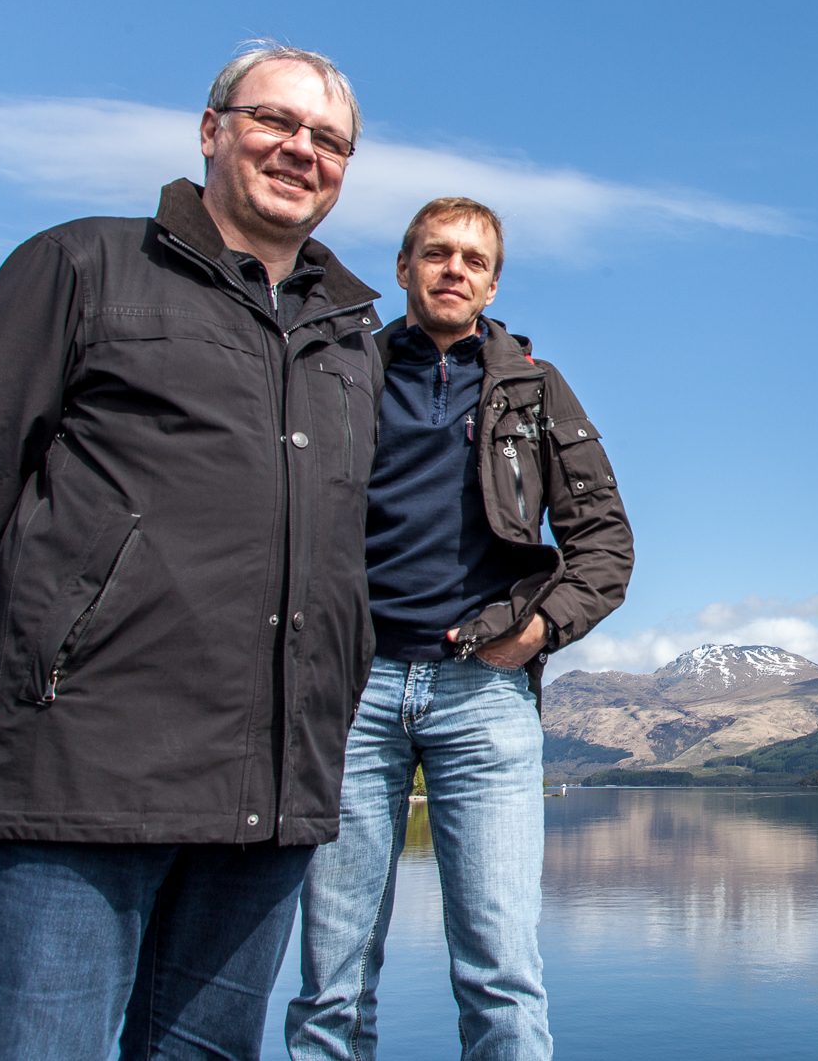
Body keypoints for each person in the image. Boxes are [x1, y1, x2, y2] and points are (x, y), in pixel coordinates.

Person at [0, 42, 382, 1059]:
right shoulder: (81, 264)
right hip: (84, 777)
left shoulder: (351, 340)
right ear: (211, 131)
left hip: (269, 802)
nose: (302, 150)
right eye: (275, 122)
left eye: (329, 139)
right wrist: (44, 669)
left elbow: (344, 556)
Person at [286, 197, 634, 1060]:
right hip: (352, 696)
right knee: (332, 979)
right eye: (436, 253)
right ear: (403, 267)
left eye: (473, 260)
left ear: (492, 283)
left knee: (501, 974)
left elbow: (605, 543)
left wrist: (535, 633)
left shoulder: (534, 386)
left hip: (484, 696)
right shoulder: (343, 374)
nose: (454, 270)